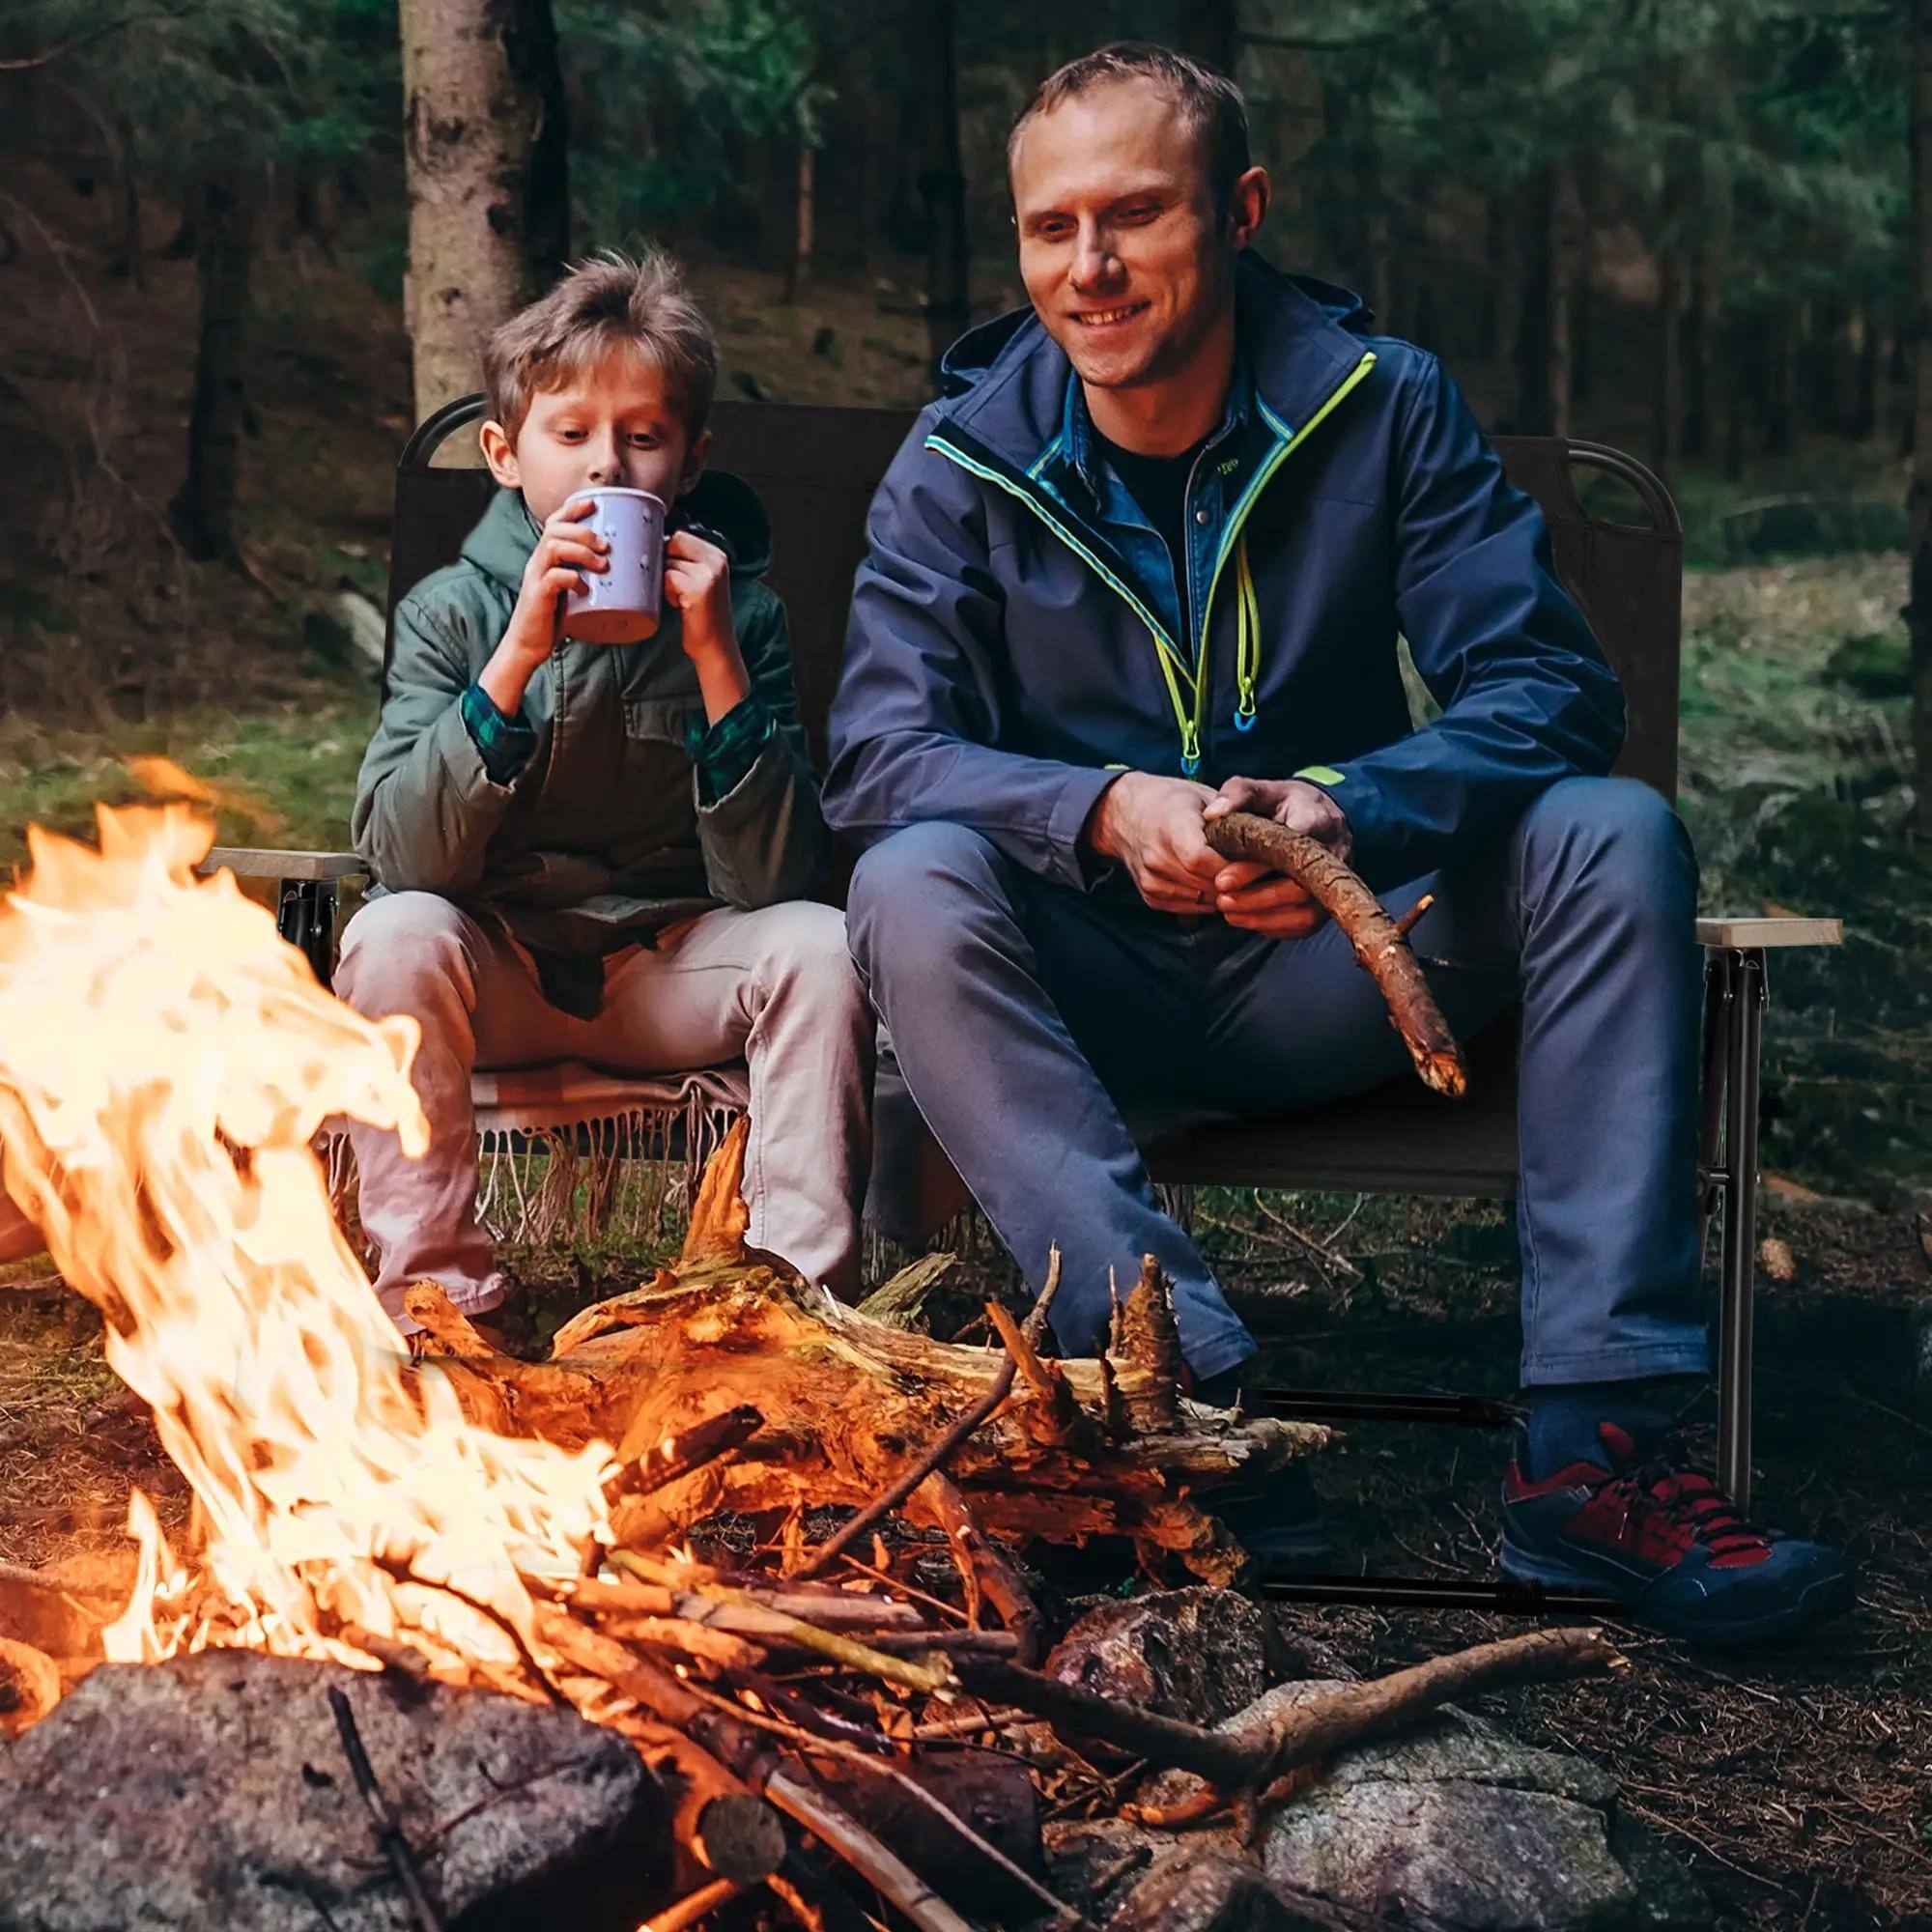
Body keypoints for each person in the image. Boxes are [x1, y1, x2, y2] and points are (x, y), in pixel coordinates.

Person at [823, 44, 1851, 1642]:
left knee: (1611, 833)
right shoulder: (964, 458)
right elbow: (879, 761)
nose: (1085, 269)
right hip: (1079, 982)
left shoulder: (1383, 406)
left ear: (1238, 211)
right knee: (907, 878)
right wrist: (1096, 811)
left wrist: (1351, 804)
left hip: (1344, 968)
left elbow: (1549, 692)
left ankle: (1597, 1460)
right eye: (1050, 228)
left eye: (1134, 215)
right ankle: (1190, 1407)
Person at [338, 247, 871, 1333]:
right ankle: (441, 1303)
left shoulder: (741, 616)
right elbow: (406, 856)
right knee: (393, 931)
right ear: (504, 451)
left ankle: (790, 1312)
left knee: (817, 943)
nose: (607, 468)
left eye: (643, 436)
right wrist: (516, 656)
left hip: (663, 969)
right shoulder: (451, 611)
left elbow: (773, 878)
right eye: (570, 433)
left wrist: (717, 658)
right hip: (499, 972)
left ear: (687, 456)